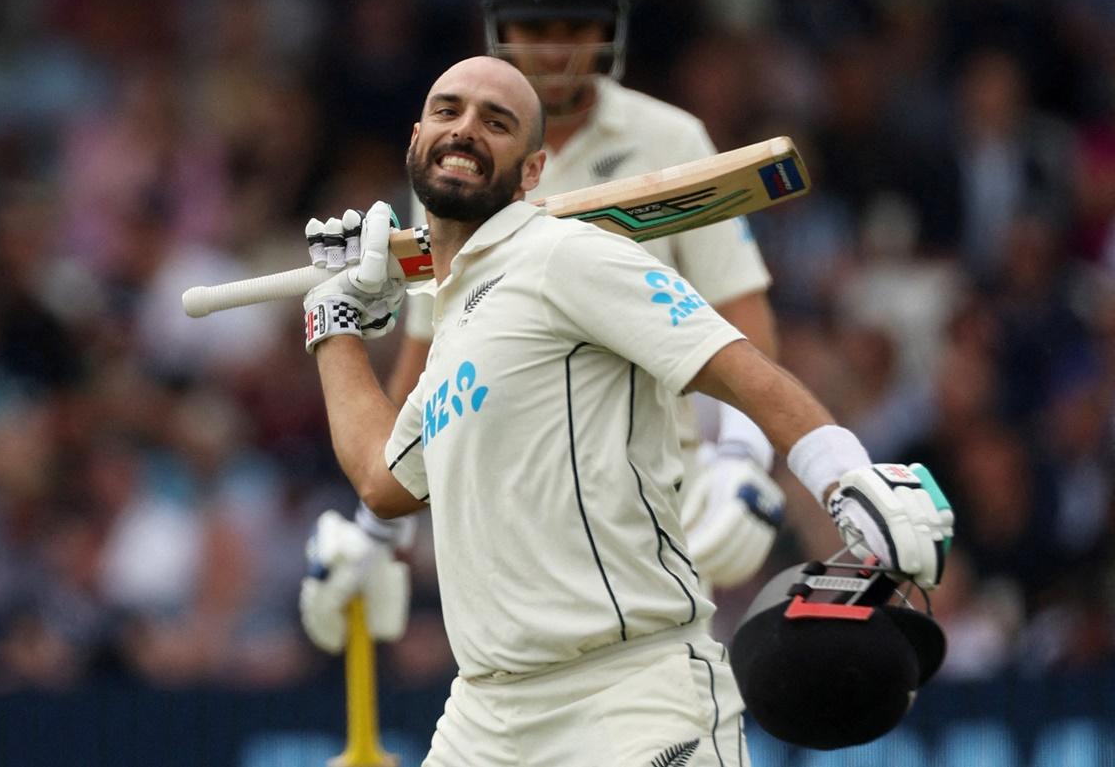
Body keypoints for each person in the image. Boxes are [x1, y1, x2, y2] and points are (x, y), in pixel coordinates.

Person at [299, 54, 954, 765]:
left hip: (628, 695)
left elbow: (736, 367)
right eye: (448, 111)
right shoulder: (458, 315)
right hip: (485, 714)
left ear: (532, 171)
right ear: (415, 139)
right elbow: (382, 477)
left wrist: (844, 473)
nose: (465, 129)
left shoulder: (567, 256)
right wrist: (333, 323)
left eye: (497, 121)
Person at [301, 0, 788, 657]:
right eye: (535, 29)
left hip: (647, 486)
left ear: (609, 33)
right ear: (501, 33)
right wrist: (380, 527)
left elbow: (741, 312)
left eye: (576, 28)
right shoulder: (456, 159)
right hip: (507, 498)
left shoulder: (672, 139)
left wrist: (743, 453)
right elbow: (431, 351)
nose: (556, 50)